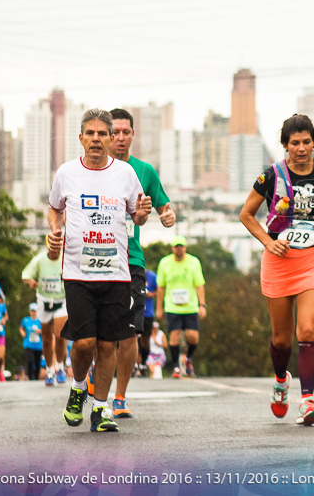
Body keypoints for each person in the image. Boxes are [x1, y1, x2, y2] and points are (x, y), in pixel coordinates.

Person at [240, 114, 314, 425]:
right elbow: (246, 214)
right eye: (294, 143)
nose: (301, 148)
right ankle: (280, 380)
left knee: (308, 330)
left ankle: (308, 400)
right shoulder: (271, 176)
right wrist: (267, 242)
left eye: (306, 141)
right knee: (282, 339)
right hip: (279, 260)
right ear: (285, 146)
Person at [48, 108, 150, 433]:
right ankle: (79, 388)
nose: (96, 139)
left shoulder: (125, 174)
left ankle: (102, 410)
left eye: (102, 134)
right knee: (83, 342)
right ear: (80, 138)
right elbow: (53, 208)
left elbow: (138, 216)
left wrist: (145, 213)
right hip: (78, 273)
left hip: (116, 272)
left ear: (110, 139)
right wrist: (54, 231)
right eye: (90, 133)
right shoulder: (66, 173)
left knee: (108, 345)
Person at [105, 108, 175, 416]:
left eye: (125, 132)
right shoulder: (93, 169)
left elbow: (165, 209)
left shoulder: (144, 171)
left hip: (131, 259)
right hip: (98, 260)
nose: (120, 138)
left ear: (133, 135)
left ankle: (119, 397)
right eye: (114, 132)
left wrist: (169, 216)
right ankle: (94, 388)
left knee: (130, 331)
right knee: (99, 334)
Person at [21, 239, 70, 386]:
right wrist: (31, 282)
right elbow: (26, 275)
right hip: (44, 300)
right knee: (47, 339)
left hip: (61, 300)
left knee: (60, 335)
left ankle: (60, 367)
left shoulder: (66, 258)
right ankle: (50, 370)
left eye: (58, 249)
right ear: (48, 248)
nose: (55, 252)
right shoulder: (40, 259)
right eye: (53, 249)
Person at [155, 237, 205, 379]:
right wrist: (159, 308)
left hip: (190, 306)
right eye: (176, 246)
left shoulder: (193, 262)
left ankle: (188, 358)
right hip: (172, 306)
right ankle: (176, 366)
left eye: (181, 246)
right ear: (172, 248)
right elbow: (160, 287)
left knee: (193, 337)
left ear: (185, 247)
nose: (179, 249)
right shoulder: (165, 263)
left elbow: (200, 284)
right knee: (174, 337)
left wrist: (202, 305)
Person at [20, 304, 44, 381]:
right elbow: (21, 328)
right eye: (32, 310)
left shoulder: (40, 320)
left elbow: (46, 331)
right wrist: (22, 333)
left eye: (35, 311)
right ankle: (30, 378)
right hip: (28, 344)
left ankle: (36, 378)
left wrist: (40, 331)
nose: (33, 312)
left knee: (37, 362)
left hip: (38, 345)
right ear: (30, 311)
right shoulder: (26, 320)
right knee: (30, 360)